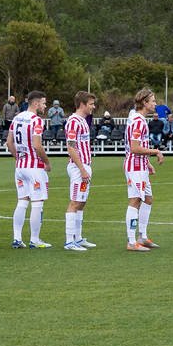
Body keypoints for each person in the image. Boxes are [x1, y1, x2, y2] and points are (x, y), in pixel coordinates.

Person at [9, 90, 51, 248]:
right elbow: (37, 145)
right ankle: (34, 239)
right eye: (43, 103)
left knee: (22, 201)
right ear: (35, 103)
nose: (45, 106)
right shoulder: (36, 120)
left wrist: (18, 158)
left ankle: (17, 239)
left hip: (20, 167)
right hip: (34, 167)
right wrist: (47, 162)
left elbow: (9, 142)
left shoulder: (17, 117)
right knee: (37, 202)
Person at [122, 87, 161, 250]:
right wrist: (156, 151)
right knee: (135, 200)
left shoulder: (137, 119)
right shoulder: (138, 121)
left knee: (148, 199)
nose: (155, 104)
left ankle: (142, 236)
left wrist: (148, 162)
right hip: (134, 166)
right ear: (144, 103)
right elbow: (135, 148)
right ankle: (131, 242)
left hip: (141, 165)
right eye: (153, 101)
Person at [62, 91, 97, 251]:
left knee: (81, 202)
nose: (93, 107)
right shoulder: (73, 121)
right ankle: (69, 241)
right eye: (91, 104)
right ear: (82, 104)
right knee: (75, 202)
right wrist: (82, 168)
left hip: (84, 166)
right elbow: (71, 147)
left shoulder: (83, 121)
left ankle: (78, 237)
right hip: (78, 167)